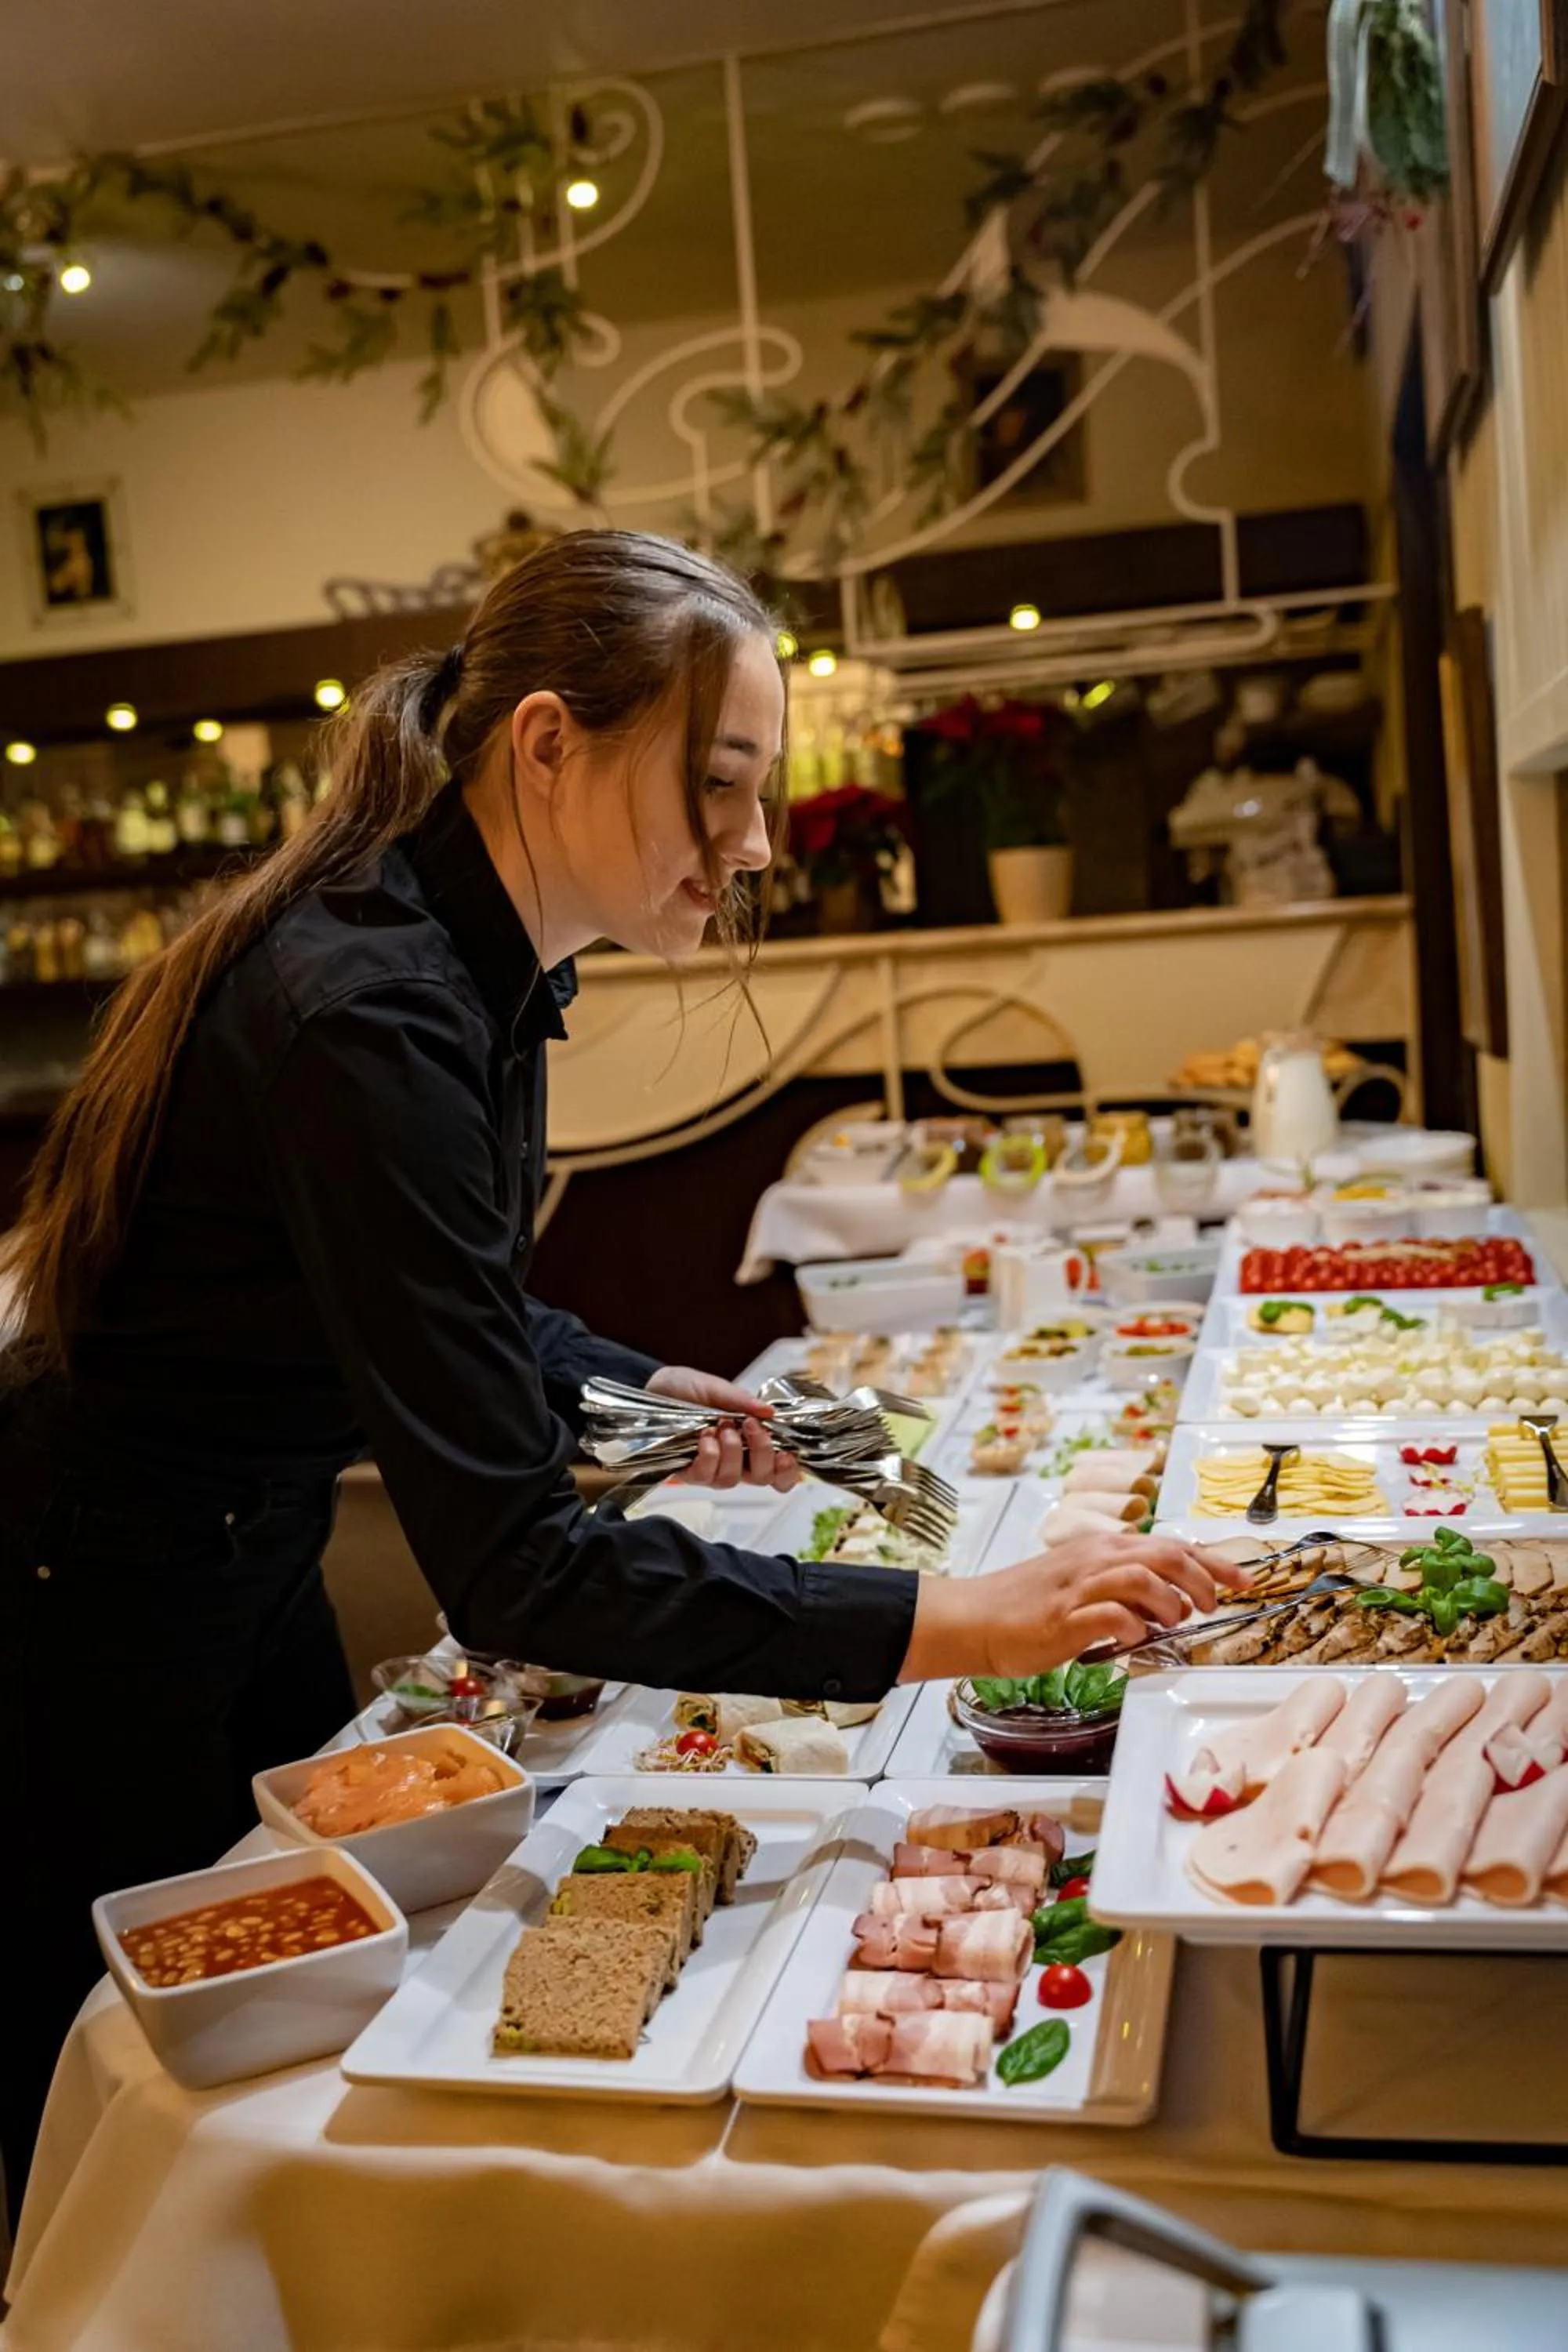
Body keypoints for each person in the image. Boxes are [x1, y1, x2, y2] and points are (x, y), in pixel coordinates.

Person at [0, 530, 1236, 2223]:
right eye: (717, 787)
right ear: (547, 745)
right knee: (124, 2087)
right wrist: (959, 1622)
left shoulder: (472, 967)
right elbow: (520, 1570)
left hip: (245, 1531)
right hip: (86, 1581)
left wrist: (642, 1382)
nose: (748, 845)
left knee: (294, 2023)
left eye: (761, 793)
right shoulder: (371, 1010)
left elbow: (428, 1310)